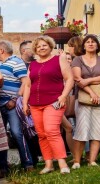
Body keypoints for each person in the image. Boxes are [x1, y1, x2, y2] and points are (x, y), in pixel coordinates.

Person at [22, 36, 74, 174]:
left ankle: (62, 164)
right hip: (35, 104)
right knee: (42, 134)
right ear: (35, 49)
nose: (41, 48)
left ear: (50, 46)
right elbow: (28, 85)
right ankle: (48, 164)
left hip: (54, 101)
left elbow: (69, 79)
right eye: (38, 46)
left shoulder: (59, 59)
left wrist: (63, 96)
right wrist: (25, 103)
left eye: (44, 45)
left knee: (52, 131)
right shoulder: (32, 65)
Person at [70, 35, 100, 167]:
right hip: (83, 99)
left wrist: (87, 80)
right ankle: (77, 161)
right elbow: (77, 79)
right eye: (88, 42)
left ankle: (92, 161)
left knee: (97, 129)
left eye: (93, 42)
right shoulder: (77, 60)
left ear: (97, 45)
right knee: (81, 129)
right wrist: (92, 92)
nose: (90, 44)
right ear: (83, 45)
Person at [0, 40, 35, 170]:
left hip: (12, 105)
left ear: (1, 50)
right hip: (0, 105)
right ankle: (3, 167)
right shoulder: (0, 64)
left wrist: (15, 98)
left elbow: (25, 82)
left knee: (17, 133)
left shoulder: (16, 62)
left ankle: (28, 163)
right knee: (0, 136)